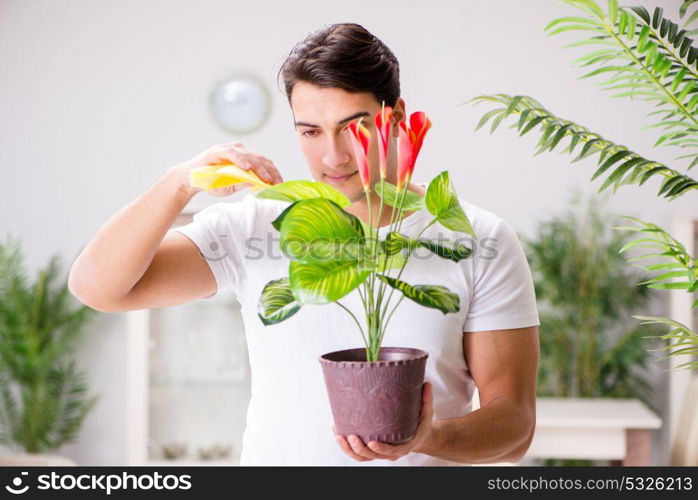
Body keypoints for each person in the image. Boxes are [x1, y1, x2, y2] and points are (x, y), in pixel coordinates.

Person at [68, 22, 540, 466]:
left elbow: (514, 425)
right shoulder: (256, 226)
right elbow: (98, 288)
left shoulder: (478, 239)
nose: (333, 156)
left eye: (354, 128)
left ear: (395, 117)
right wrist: (179, 183)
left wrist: (427, 437)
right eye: (310, 132)